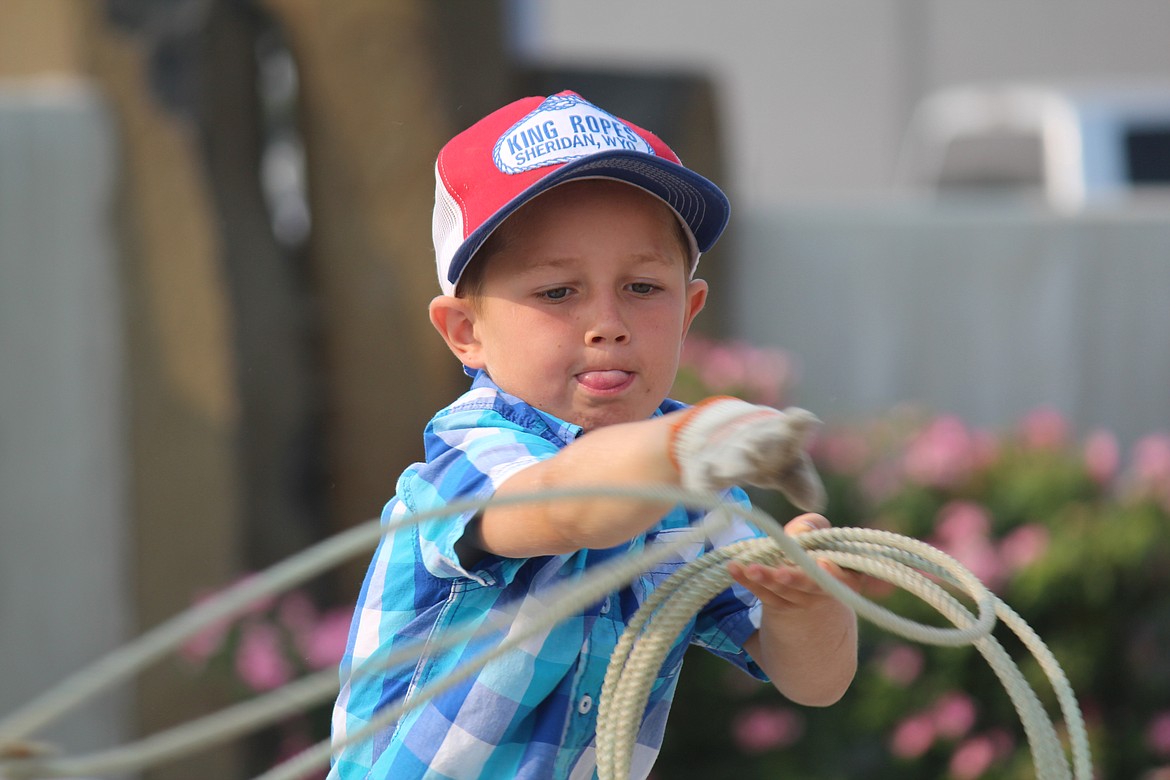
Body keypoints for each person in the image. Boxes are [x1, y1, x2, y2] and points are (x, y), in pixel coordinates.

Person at [328, 90, 858, 780]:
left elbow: (815, 682)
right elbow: (569, 503)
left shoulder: (685, 480)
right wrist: (686, 448)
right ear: (467, 332)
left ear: (690, 308)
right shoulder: (474, 451)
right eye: (557, 293)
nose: (607, 323)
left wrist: (809, 606)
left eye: (642, 287)